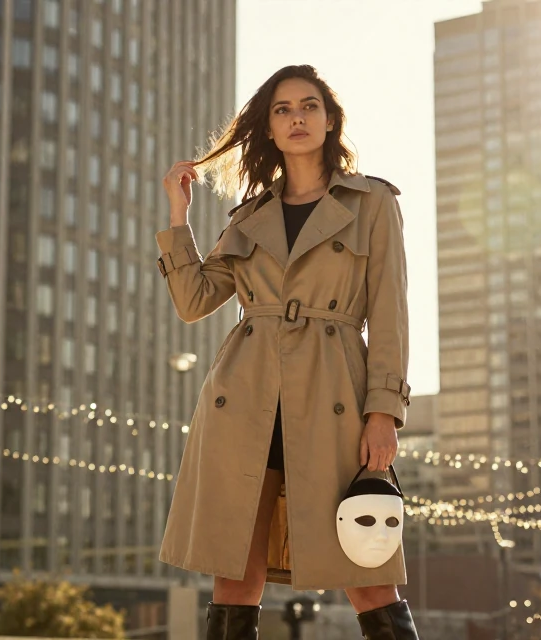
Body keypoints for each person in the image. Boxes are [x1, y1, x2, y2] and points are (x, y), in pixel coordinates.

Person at [154, 64, 417, 639]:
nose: (296, 117)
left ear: (329, 121)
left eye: (308, 106)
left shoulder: (372, 202)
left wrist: (384, 413)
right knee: (234, 576)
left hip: (333, 399)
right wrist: (179, 218)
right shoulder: (249, 218)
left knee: (368, 573)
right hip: (245, 401)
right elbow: (195, 300)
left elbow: (391, 316)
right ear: (269, 130)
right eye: (282, 110)